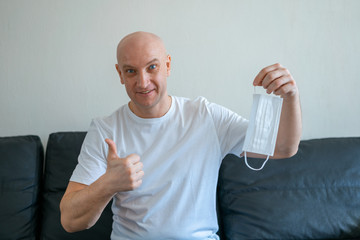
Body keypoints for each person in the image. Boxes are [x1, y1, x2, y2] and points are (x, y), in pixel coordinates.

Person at [60, 31, 302, 239]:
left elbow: (283, 148)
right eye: (131, 71)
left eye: (152, 67)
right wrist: (109, 184)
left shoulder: (206, 115)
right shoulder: (106, 129)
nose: (143, 82)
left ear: (167, 65)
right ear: (120, 74)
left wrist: (290, 96)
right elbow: (70, 221)